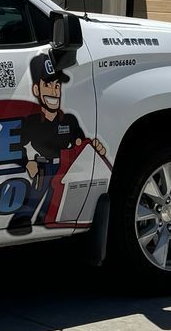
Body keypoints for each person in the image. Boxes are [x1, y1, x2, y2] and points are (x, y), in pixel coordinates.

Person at [7, 49, 105, 236]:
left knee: (54, 206)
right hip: (42, 168)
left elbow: (81, 143)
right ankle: (21, 222)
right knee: (32, 200)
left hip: (65, 170)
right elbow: (14, 146)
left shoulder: (69, 120)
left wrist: (94, 146)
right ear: (37, 89)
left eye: (57, 86)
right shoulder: (31, 122)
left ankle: (45, 224)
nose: (54, 91)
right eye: (48, 85)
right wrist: (27, 162)